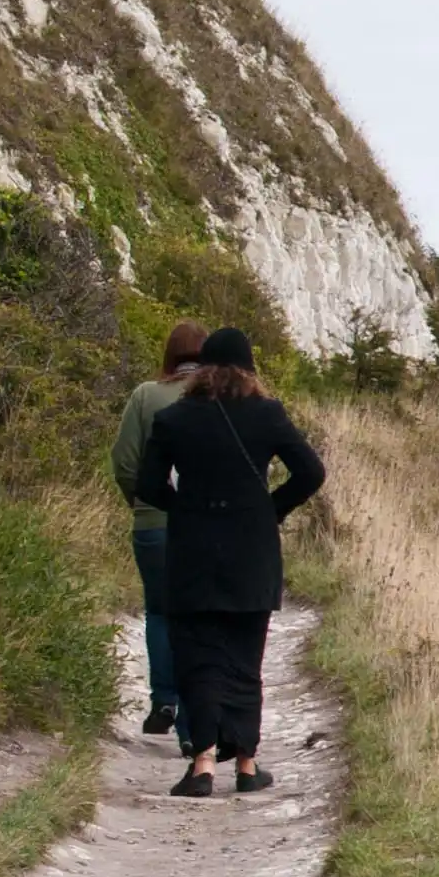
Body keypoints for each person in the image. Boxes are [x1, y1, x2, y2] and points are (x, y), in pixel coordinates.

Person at [131, 327, 325, 797]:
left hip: (193, 548)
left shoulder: (176, 419)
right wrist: (271, 508)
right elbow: (311, 472)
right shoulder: (267, 414)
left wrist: (183, 509)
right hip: (251, 548)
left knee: (197, 655)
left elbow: (150, 485)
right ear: (248, 370)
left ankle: (200, 765)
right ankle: (245, 764)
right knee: (244, 655)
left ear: (201, 372)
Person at [106, 320, 209, 744]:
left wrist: (144, 502)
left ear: (170, 355)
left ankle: (163, 699)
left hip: (153, 525)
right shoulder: (219, 399)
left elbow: (124, 460)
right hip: (204, 526)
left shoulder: (146, 396)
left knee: (160, 612)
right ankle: (193, 718)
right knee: (199, 618)